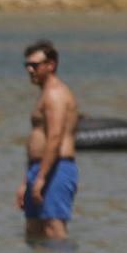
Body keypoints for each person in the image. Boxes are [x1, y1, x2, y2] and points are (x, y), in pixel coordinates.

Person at [16, 40, 79, 241]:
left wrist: (41, 177)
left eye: (34, 65)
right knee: (33, 230)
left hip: (56, 168)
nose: (29, 70)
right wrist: (26, 181)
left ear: (50, 65)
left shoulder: (55, 94)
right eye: (27, 65)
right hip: (40, 168)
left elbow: (55, 137)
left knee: (53, 228)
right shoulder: (45, 94)